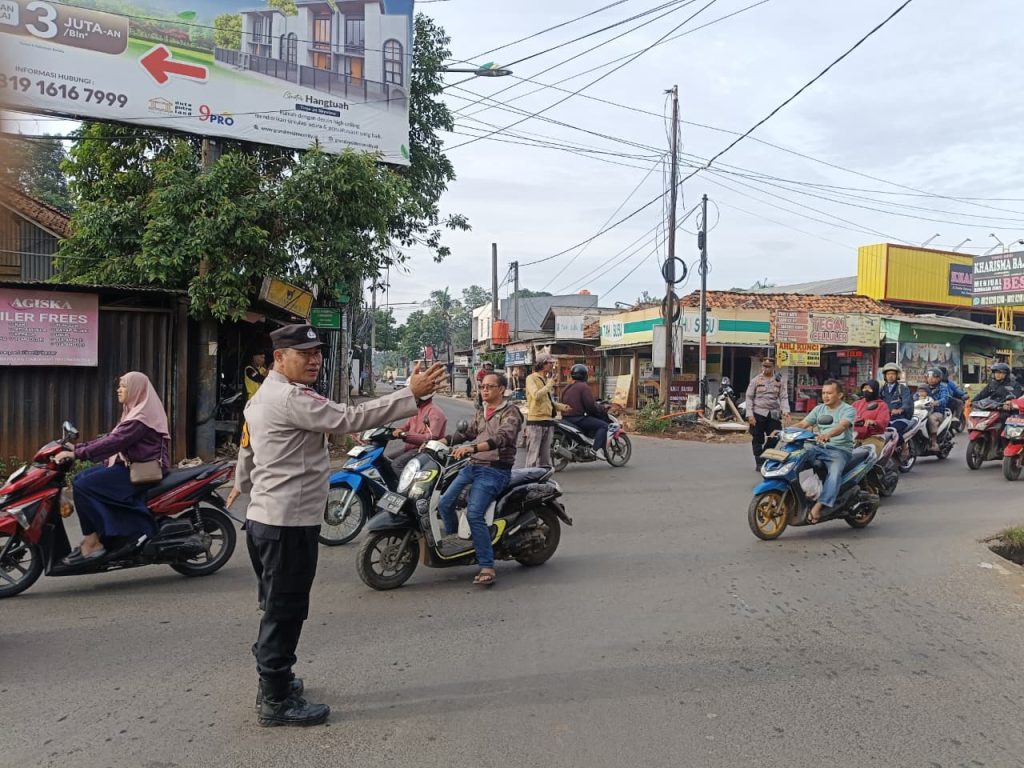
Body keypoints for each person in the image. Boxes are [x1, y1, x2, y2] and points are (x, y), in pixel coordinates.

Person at [233, 323, 446, 727]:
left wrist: (241, 484)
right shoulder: (290, 398)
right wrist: (410, 395)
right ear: (279, 357)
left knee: (275, 605)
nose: (314, 360)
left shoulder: (264, 395)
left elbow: (248, 447)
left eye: (317, 353)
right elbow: (350, 418)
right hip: (287, 523)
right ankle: (275, 700)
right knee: (285, 611)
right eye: (304, 354)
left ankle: (277, 680)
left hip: (264, 519)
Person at [53, 372, 169, 564]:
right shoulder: (133, 411)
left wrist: (78, 454)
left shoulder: (140, 418)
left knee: (83, 486)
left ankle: (92, 542)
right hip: (129, 464)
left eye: (124, 386)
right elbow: (111, 438)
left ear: (136, 390)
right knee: (79, 480)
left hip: (143, 469)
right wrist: (79, 448)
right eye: (120, 386)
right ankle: (101, 535)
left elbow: (115, 442)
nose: (118, 390)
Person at [439, 371, 523, 587]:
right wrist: (441, 441)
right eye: (482, 386)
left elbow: (502, 438)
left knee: (474, 513)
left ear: (501, 389)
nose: (484, 390)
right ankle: (457, 545)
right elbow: (467, 432)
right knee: (444, 502)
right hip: (473, 466)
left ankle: (487, 565)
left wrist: (473, 448)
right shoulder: (482, 411)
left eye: (489, 386)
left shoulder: (511, 412)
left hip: (495, 470)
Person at [795, 379, 856, 524]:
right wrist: (784, 431)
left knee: (834, 474)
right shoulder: (819, 409)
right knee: (795, 459)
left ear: (839, 395)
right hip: (818, 446)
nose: (825, 396)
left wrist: (828, 434)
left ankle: (820, 505)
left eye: (829, 393)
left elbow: (842, 426)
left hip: (839, 449)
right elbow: (803, 424)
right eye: (823, 393)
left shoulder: (848, 410)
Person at [745, 357, 791, 471]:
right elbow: (749, 397)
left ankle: (764, 457)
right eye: (764, 366)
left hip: (774, 413)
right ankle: (759, 462)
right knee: (757, 438)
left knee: (775, 437)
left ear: (773, 367)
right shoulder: (756, 380)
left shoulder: (779, 381)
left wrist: (786, 411)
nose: (766, 369)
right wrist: (750, 414)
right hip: (758, 412)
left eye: (768, 367)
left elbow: (783, 397)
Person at [524, 353, 568, 468]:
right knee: (533, 457)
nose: (551, 365)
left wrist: (562, 407)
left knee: (545, 457)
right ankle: (529, 477)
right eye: (549, 363)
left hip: (548, 421)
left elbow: (548, 401)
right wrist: (550, 384)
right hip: (535, 422)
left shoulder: (545, 380)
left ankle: (543, 477)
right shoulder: (531, 378)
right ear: (542, 364)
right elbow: (536, 395)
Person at [560, 364, 609, 457]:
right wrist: (601, 408)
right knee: (603, 425)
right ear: (584, 375)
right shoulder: (584, 387)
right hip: (577, 418)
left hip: (565, 418)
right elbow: (590, 405)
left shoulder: (566, 387)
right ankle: (595, 450)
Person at [390, 394, 448, 472]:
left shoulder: (435, 412)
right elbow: (406, 426)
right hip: (411, 447)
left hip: (424, 450)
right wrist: (397, 430)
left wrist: (405, 435)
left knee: (396, 464)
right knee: (387, 459)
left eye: (414, 397)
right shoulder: (417, 410)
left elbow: (431, 437)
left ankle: (407, 480)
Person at [879, 363, 913, 436]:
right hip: (886, 418)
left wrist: (900, 409)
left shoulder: (903, 388)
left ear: (897, 375)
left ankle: (902, 443)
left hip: (900, 418)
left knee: (893, 431)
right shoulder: (882, 390)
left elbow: (907, 401)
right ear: (885, 376)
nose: (890, 376)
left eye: (893, 374)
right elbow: (877, 401)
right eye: (888, 374)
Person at [924, 367, 952, 453]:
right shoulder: (924, 387)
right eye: (929, 376)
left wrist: (937, 402)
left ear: (939, 378)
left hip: (937, 413)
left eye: (934, 377)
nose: (931, 379)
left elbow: (945, 398)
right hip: (924, 412)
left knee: (931, 419)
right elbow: (916, 396)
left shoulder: (943, 388)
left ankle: (934, 443)